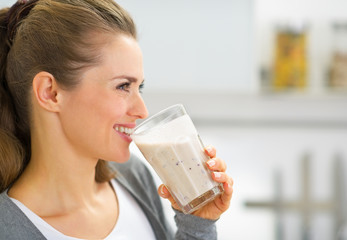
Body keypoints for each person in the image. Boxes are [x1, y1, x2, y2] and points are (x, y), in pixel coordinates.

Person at [0, 0, 234, 239]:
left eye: (138, 87)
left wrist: (198, 223)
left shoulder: (133, 176)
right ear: (51, 92)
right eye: (123, 86)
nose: (142, 111)